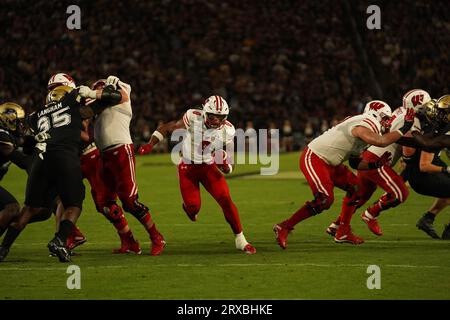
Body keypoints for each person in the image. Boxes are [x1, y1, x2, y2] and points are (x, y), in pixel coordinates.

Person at [0, 79, 125, 262]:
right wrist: (104, 91)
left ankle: (3, 248)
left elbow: (28, 147)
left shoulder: (36, 115)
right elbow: (110, 99)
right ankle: (59, 240)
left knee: (29, 209)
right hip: (65, 156)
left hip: (41, 158)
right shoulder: (71, 102)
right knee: (74, 203)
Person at [273, 100, 415, 248]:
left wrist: (375, 164)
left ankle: (343, 231)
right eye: (386, 118)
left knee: (357, 190)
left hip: (332, 163)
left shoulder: (364, 126)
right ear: (377, 115)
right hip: (315, 157)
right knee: (324, 200)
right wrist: (405, 126)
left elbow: (355, 163)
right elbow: (380, 141)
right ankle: (284, 227)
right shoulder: (367, 121)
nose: (387, 123)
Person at [138, 95, 256, 254]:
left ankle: (241, 240)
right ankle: (188, 209)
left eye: (220, 117)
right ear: (205, 112)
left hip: (208, 167)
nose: (216, 121)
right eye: (213, 116)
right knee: (193, 208)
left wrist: (226, 166)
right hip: (188, 167)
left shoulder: (228, 130)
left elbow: (230, 163)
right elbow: (167, 128)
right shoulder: (193, 117)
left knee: (226, 199)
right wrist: (150, 144)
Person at [326, 89, 429, 237]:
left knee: (359, 197)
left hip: (369, 156)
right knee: (400, 193)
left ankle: (336, 225)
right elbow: (408, 151)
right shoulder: (413, 120)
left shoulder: (401, 111)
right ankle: (370, 214)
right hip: (376, 160)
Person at [92, 76, 165, 256]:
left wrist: (98, 92)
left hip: (121, 151)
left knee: (130, 202)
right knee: (105, 204)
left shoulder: (121, 96)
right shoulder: (98, 105)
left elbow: (122, 95)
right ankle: (129, 241)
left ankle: (156, 237)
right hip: (103, 155)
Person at [79, 117, 141, 253]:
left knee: (106, 204)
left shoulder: (76, 110)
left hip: (90, 155)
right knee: (60, 197)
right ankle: (71, 234)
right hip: (74, 158)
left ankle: (131, 241)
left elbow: (88, 131)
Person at [398, 95, 450, 239]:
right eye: (440, 111)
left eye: (443, 111)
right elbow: (424, 164)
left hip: (420, 173)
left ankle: (427, 219)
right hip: (423, 177)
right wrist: (446, 170)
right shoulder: (436, 130)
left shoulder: (436, 126)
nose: (440, 115)